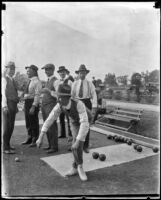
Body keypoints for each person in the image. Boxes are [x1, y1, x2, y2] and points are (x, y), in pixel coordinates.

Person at [36, 83, 92, 181]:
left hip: (86, 119)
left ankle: (79, 167)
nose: (58, 99)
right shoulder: (60, 104)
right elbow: (50, 119)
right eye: (58, 96)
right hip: (74, 121)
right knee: (76, 143)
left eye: (60, 97)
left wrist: (78, 141)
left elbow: (84, 123)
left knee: (78, 143)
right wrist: (41, 136)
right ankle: (76, 167)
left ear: (67, 98)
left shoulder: (79, 104)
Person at [71, 64, 97, 153]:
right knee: (76, 124)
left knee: (86, 125)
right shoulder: (74, 83)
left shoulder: (90, 84)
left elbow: (94, 95)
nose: (82, 74)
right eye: (80, 73)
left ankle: (85, 146)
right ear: (78, 73)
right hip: (77, 103)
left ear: (86, 73)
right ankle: (76, 144)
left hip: (87, 103)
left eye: (84, 72)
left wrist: (94, 107)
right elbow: (72, 95)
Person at [21, 65, 42, 147]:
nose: (27, 72)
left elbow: (37, 95)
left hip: (33, 102)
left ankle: (35, 139)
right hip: (27, 102)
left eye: (29, 71)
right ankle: (29, 138)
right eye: (27, 71)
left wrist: (33, 106)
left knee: (33, 122)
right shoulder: (29, 81)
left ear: (34, 71)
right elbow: (26, 94)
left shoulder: (37, 82)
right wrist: (24, 105)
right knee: (28, 122)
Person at [40, 63, 58, 154]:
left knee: (52, 126)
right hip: (45, 105)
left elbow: (59, 95)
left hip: (51, 105)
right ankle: (50, 145)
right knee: (46, 125)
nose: (46, 71)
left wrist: (49, 91)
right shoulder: (47, 81)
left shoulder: (56, 81)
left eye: (47, 69)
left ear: (52, 70)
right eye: (45, 70)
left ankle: (54, 146)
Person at [2, 61, 19, 154]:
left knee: (11, 125)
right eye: (10, 68)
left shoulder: (12, 79)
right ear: (6, 69)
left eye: (13, 68)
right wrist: (4, 106)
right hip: (7, 104)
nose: (12, 70)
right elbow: (3, 94)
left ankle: (8, 144)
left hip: (13, 104)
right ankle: (5, 147)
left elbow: (15, 92)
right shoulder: (4, 79)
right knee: (7, 126)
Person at [55, 66, 73, 139]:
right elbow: (56, 92)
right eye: (60, 72)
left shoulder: (70, 82)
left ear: (66, 72)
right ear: (59, 73)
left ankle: (70, 135)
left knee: (69, 119)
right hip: (59, 102)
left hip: (68, 102)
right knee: (61, 118)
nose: (62, 73)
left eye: (63, 71)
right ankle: (62, 134)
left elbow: (72, 93)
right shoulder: (56, 82)